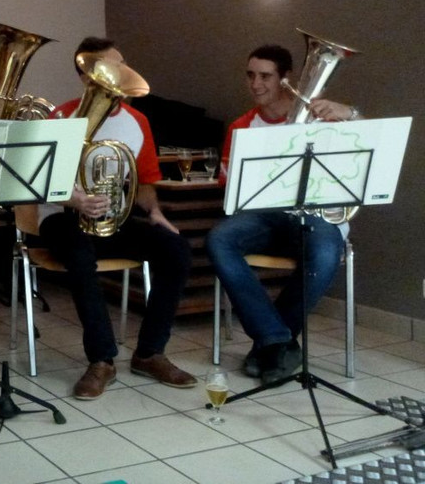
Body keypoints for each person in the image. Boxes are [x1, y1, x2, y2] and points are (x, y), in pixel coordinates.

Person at [39, 37, 195, 400]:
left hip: (111, 219)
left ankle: (149, 353)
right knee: (80, 257)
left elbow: (144, 183)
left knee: (177, 251)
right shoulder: (59, 118)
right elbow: (41, 181)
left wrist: (154, 212)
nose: (123, 72)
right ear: (86, 75)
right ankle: (101, 360)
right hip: (61, 217)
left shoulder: (138, 121)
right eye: (114, 67)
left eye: (123, 64)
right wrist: (75, 199)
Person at [205, 44, 358, 384]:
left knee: (325, 251)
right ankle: (277, 340)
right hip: (264, 217)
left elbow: (370, 141)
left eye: (265, 76)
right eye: (250, 75)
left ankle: (270, 345)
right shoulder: (241, 126)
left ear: (286, 79)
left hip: (313, 215)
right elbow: (229, 190)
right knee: (219, 239)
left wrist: (349, 113)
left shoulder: (321, 117)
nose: (255, 84)